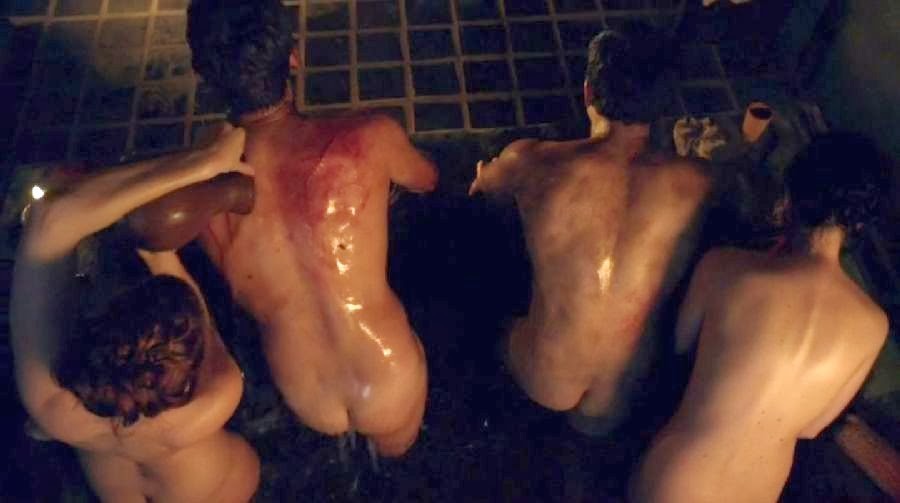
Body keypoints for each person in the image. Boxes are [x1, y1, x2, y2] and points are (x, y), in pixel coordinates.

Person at [187, 0, 438, 456]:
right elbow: (427, 179)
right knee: (398, 456)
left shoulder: (200, 186)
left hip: (302, 387)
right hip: (387, 370)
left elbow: (233, 280)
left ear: (203, 74)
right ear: (293, 58)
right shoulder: (368, 138)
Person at [469, 25, 712, 431]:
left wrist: (488, 173)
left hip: (544, 378)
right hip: (621, 396)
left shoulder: (532, 161)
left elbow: (484, 190)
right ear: (664, 103)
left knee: (493, 317)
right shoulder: (699, 181)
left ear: (587, 92)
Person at [631, 133, 892, 503]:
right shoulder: (874, 326)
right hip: (760, 489)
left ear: (790, 198)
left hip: (679, 478)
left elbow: (681, 345)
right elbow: (811, 427)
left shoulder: (724, 266)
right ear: (859, 225)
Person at [11, 125, 260, 502]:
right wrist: (161, 254)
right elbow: (203, 325)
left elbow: (51, 220)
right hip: (209, 489)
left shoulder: (47, 404)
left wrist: (200, 162)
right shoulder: (217, 399)